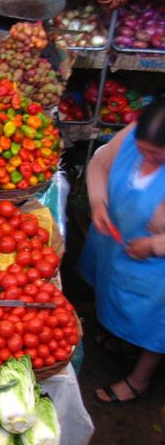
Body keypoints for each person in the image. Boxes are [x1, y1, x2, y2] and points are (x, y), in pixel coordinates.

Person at [80, 99, 165, 405]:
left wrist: (155, 245)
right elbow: (100, 164)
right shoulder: (134, 134)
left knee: (156, 320)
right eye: (143, 150)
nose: (146, 159)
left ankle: (139, 380)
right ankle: (121, 338)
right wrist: (99, 202)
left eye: (157, 155)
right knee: (116, 291)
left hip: (158, 269)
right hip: (119, 241)